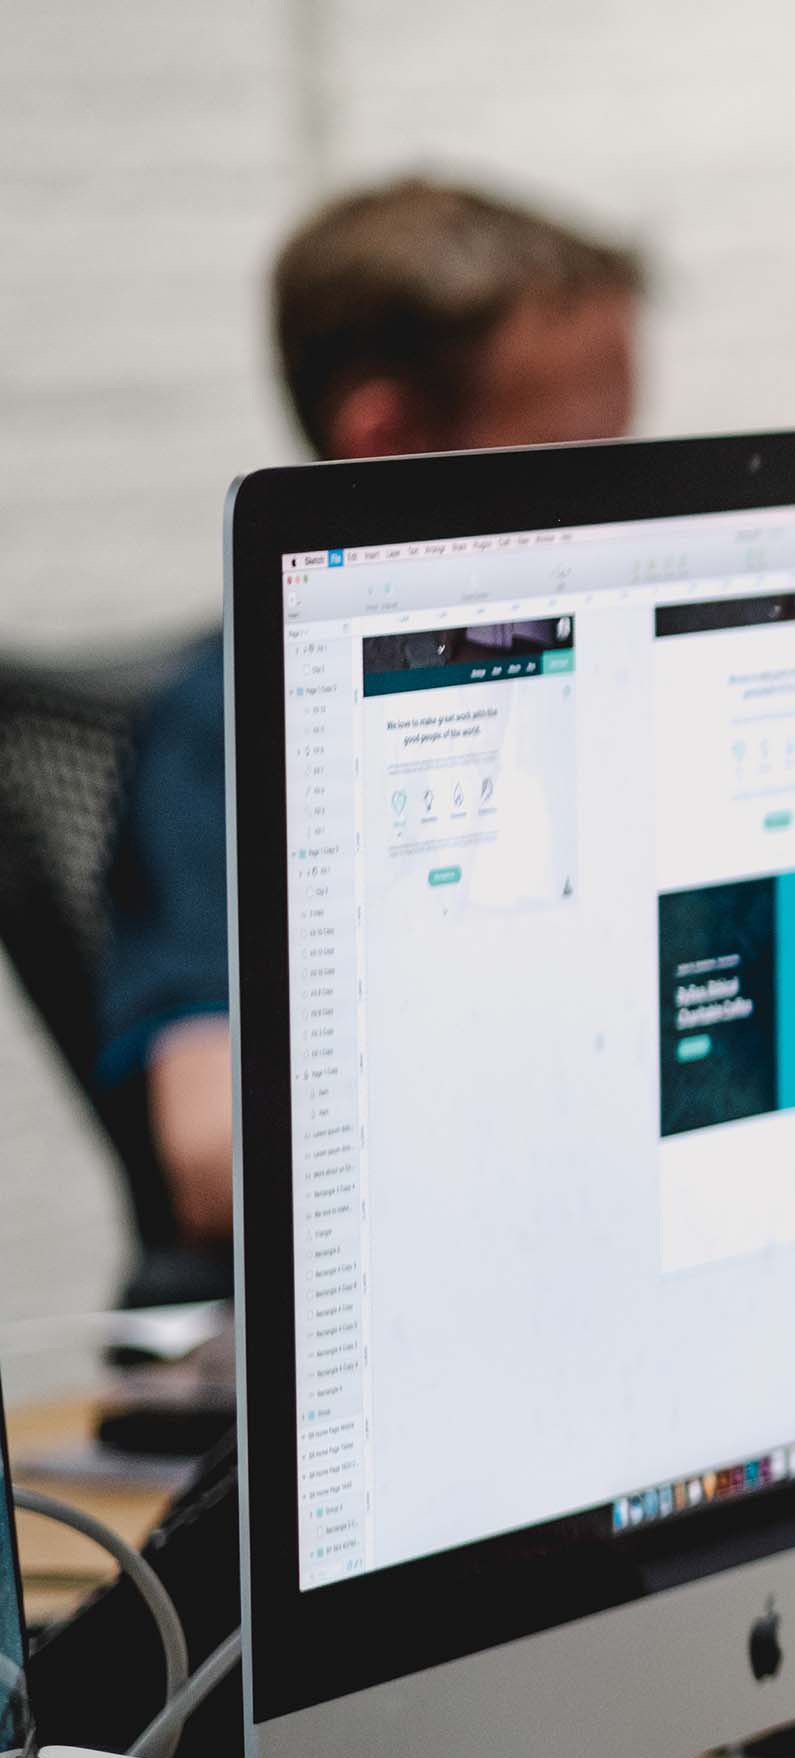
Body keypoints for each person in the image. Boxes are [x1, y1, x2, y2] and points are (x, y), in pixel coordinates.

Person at [101, 178, 642, 1275]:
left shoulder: (580, 664)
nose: (618, 505)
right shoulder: (228, 732)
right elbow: (212, 1156)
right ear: (387, 439)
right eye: (571, 456)